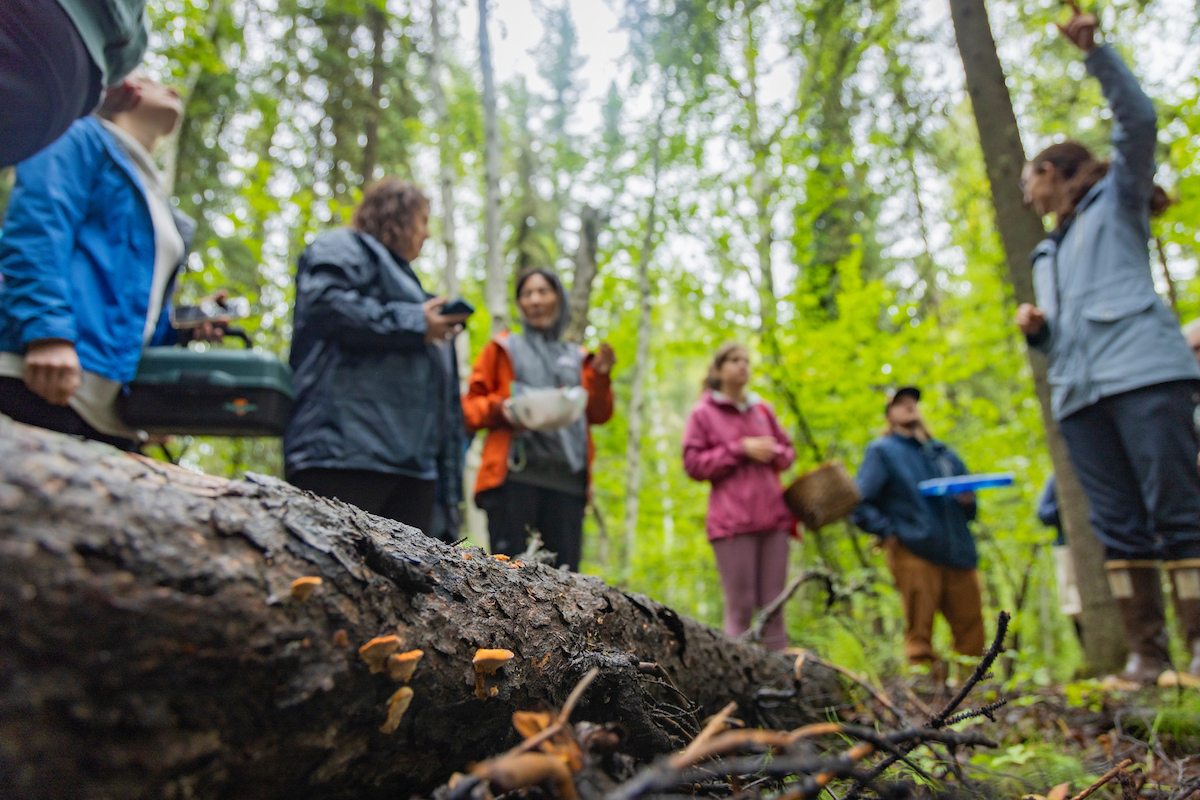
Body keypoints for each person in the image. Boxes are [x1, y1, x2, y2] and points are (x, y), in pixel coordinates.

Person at [1015, 5, 1200, 681]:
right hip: (1080, 398)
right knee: (1118, 528)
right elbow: (1065, 337)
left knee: (1178, 512)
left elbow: (1140, 122)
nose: (1026, 192)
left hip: (1146, 375)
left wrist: (1096, 54)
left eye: (1030, 177)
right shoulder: (1045, 254)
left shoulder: (1116, 200)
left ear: (1057, 171)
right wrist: (1041, 335)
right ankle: (1146, 657)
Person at [0, 74, 215, 451]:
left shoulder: (161, 204)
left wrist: (182, 328)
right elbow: (38, 230)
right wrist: (48, 333)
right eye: (150, 81)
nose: (172, 89)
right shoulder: (78, 135)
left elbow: (133, 310)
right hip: (39, 379)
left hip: (113, 413)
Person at [285, 178, 469, 534]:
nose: (427, 234)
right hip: (343, 453)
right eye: (423, 220)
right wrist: (415, 321)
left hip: (412, 467)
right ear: (396, 217)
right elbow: (326, 304)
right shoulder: (343, 245)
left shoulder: (410, 284)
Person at [463, 268, 614, 571]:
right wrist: (501, 409)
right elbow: (469, 408)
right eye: (527, 294)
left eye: (543, 291)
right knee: (508, 578)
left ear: (559, 298)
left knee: (566, 583)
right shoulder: (503, 349)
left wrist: (599, 375)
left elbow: (598, 413)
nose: (535, 300)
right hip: (513, 479)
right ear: (519, 303)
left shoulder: (578, 356)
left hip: (567, 485)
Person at [849, 387, 984, 674]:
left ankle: (976, 699)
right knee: (920, 635)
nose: (910, 407)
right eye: (901, 403)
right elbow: (859, 503)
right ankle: (925, 698)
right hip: (914, 550)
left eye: (913, 402)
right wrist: (889, 533)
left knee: (973, 633)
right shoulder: (883, 451)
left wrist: (968, 501)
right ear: (889, 414)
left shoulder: (943, 454)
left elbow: (970, 509)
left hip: (959, 551)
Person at [682, 343, 797, 651]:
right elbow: (693, 464)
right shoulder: (703, 412)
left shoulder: (763, 410)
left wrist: (773, 452)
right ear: (717, 370)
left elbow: (788, 453)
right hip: (731, 523)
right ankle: (738, 677)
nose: (743, 366)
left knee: (775, 605)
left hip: (773, 518)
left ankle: (780, 680)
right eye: (734, 360)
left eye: (746, 360)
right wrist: (739, 449)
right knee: (740, 606)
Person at [1, 0, 148, 167]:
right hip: (66, 93)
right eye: (151, 84)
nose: (172, 91)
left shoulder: (93, 144)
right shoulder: (87, 139)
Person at [1037, 476, 1084, 640]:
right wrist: (1066, 504)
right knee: (1074, 603)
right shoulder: (1056, 479)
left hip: (1102, 547)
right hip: (1067, 548)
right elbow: (1043, 514)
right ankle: (1087, 649)